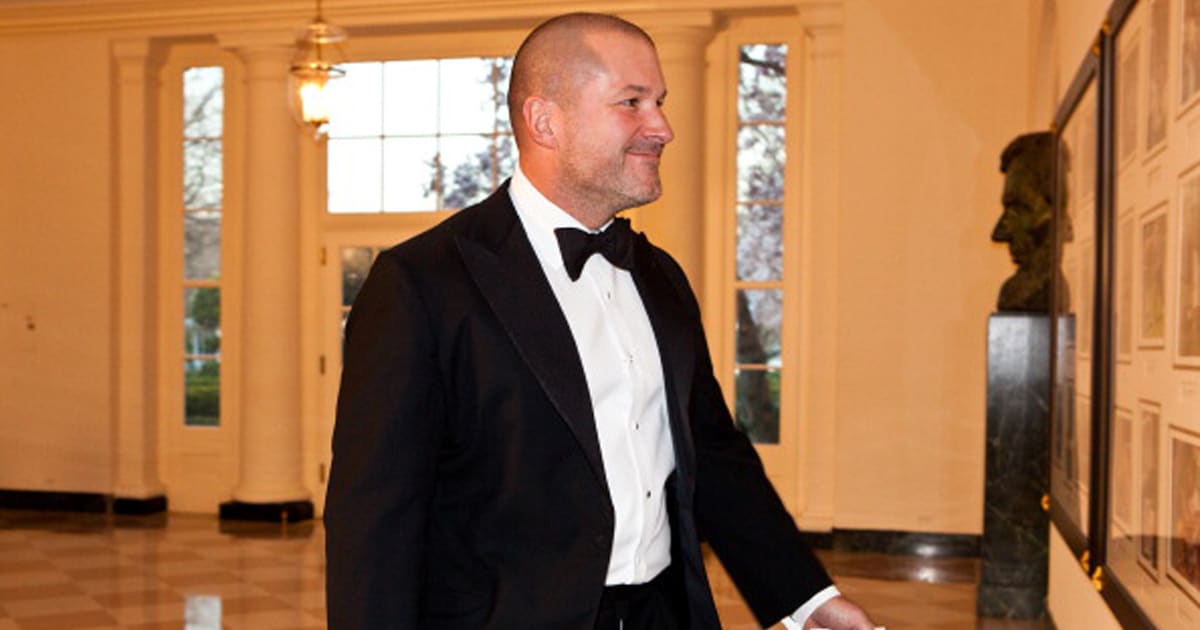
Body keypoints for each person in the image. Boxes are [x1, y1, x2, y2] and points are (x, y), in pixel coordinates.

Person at [325, 12, 876, 630]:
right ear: (545, 121)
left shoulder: (660, 276)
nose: (663, 127)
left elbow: (714, 457)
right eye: (631, 102)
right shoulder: (421, 283)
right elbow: (374, 521)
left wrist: (809, 600)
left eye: (660, 102)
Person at [991, 131, 1071, 312]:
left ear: (1054, 216)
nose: (999, 234)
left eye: (1018, 209)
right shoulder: (1018, 294)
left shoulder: (1037, 293)